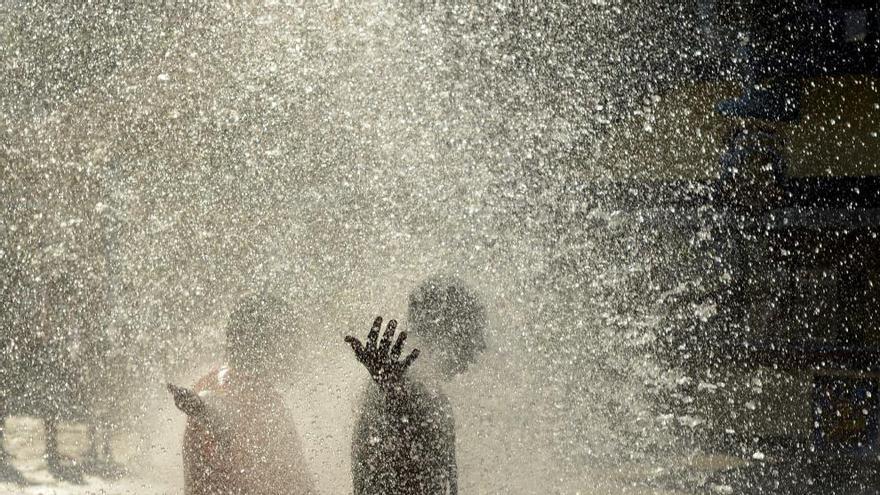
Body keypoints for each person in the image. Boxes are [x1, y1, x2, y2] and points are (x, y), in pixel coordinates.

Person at [345, 275, 487, 495]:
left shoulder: (416, 386)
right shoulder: (405, 388)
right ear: (448, 330)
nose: (479, 347)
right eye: (472, 332)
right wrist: (393, 395)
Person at [168, 294, 315, 495]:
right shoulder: (233, 386)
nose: (294, 351)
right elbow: (223, 410)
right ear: (265, 343)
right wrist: (205, 409)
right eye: (288, 339)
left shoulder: (258, 390)